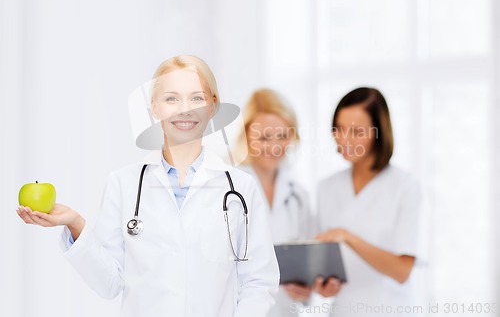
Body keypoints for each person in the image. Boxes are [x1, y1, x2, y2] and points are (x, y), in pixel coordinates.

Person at [17, 55, 280, 317]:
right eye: (171, 98)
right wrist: (75, 223)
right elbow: (109, 283)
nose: (184, 109)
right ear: (154, 107)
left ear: (213, 106)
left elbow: (258, 282)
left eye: (196, 98)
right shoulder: (123, 184)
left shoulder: (241, 189)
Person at [315, 87, 428, 317]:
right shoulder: (327, 187)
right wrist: (324, 286)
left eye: (356, 132)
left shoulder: (405, 187)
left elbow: (401, 271)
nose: (344, 139)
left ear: (379, 133)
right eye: (339, 128)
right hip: (343, 310)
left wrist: (348, 237)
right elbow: (326, 264)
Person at [238, 88, 342, 317]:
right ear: (246, 135)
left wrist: (306, 289)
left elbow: (310, 263)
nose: (275, 146)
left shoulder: (298, 196)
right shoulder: (228, 190)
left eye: (282, 136)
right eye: (264, 137)